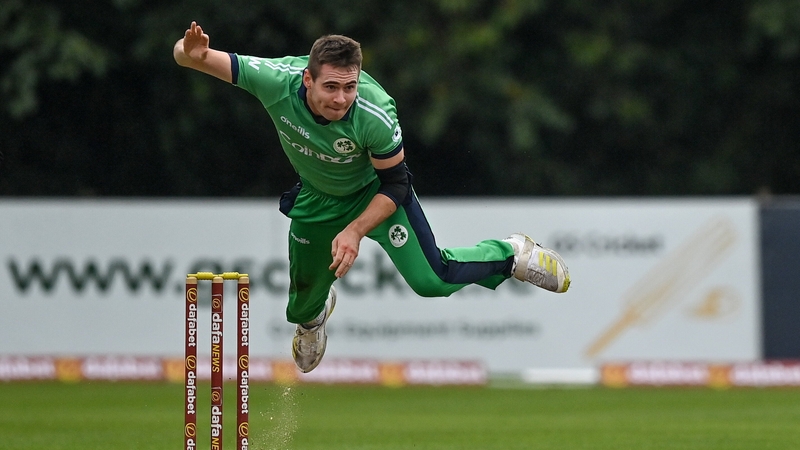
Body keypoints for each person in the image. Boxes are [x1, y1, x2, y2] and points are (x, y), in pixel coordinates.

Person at [173, 22, 570, 373]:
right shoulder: (275, 80)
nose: (341, 99)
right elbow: (189, 56)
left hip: (375, 197)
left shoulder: (375, 113)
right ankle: (314, 321)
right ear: (307, 79)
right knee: (300, 309)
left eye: (350, 87)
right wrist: (189, 51)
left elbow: (396, 184)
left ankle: (512, 255)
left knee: (432, 281)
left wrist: (355, 230)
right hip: (318, 199)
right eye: (331, 87)